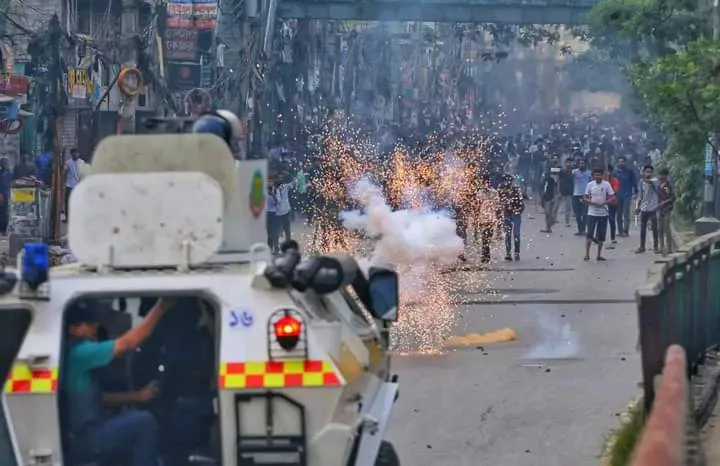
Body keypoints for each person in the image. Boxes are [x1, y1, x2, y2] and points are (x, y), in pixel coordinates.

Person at [62, 298, 174, 466]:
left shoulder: (72, 352)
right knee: (144, 422)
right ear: (74, 329)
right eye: (89, 324)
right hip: (87, 439)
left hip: (85, 434)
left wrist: (138, 397)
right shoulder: (80, 352)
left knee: (129, 417)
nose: (95, 327)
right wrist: (162, 306)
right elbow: (128, 344)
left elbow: (100, 398)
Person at [583, 167, 615, 261]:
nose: (597, 176)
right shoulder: (590, 185)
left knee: (601, 235)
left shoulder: (606, 184)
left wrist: (605, 203)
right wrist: (592, 202)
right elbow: (585, 197)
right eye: (596, 175)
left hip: (603, 213)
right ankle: (587, 254)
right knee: (589, 233)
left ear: (603, 176)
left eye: (599, 175)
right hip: (592, 212)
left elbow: (612, 196)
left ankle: (598, 254)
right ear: (593, 176)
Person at [635, 165, 659, 253]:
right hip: (644, 207)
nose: (648, 173)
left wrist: (647, 180)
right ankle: (642, 246)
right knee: (643, 228)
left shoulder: (655, 181)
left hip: (653, 207)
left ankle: (656, 247)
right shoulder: (641, 182)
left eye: (650, 172)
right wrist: (637, 207)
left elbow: (651, 182)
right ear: (643, 172)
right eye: (647, 171)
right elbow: (640, 196)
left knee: (654, 228)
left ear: (652, 173)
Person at [500, 175, 524, 261]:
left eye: (509, 181)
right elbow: (500, 204)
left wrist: (517, 210)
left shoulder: (516, 191)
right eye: (506, 181)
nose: (507, 182)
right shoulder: (502, 191)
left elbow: (522, 204)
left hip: (516, 215)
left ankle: (516, 253)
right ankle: (508, 253)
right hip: (507, 215)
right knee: (508, 235)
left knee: (516, 234)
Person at [614, 156, 638, 237]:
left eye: (622, 161)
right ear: (617, 163)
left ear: (625, 162)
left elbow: (634, 183)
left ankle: (625, 231)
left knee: (626, 213)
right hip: (617, 195)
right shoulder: (615, 173)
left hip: (627, 195)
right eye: (619, 162)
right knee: (618, 214)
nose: (621, 163)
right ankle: (620, 230)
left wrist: (635, 192)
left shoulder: (630, 172)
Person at [657, 167, 674, 255]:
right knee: (660, 229)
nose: (660, 176)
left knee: (667, 228)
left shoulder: (668, 186)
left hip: (667, 208)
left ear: (665, 175)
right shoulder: (658, 185)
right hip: (659, 209)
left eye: (661, 175)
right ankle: (662, 246)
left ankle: (669, 247)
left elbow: (672, 197)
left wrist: (664, 202)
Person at [572, 159, 591, 236]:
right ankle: (580, 229)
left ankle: (583, 229)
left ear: (585, 164)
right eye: (580, 163)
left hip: (585, 195)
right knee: (577, 214)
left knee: (585, 213)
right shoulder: (574, 172)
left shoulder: (589, 173)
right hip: (576, 194)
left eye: (583, 163)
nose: (581, 165)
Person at [606, 164, 622, 247]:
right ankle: (599, 236)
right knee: (601, 220)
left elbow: (615, 191)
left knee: (612, 220)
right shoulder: (601, 180)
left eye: (609, 171)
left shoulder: (615, 180)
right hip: (603, 203)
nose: (608, 173)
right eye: (606, 171)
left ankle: (612, 237)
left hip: (612, 202)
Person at [64, 148, 81, 222]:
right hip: (69, 185)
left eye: (77, 153)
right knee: (68, 202)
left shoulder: (81, 162)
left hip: (78, 185)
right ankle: (68, 218)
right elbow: (64, 173)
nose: (76, 154)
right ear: (71, 154)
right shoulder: (68, 163)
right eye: (74, 153)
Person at [540, 166, 559, 234]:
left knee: (548, 213)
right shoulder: (544, 179)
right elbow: (542, 189)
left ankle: (549, 226)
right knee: (547, 214)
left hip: (550, 197)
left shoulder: (551, 179)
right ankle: (548, 227)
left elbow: (555, 188)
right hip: (545, 197)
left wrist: (555, 196)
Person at [558, 157, 574, 227]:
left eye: (570, 162)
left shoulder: (574, 171)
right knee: (557, 205)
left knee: (568, 207)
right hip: (563, 190)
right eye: (568, 162)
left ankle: (567, 221)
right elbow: (559, 180)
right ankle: (554, 218)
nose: (569, 164)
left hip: (570, 191)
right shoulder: (562, 171)